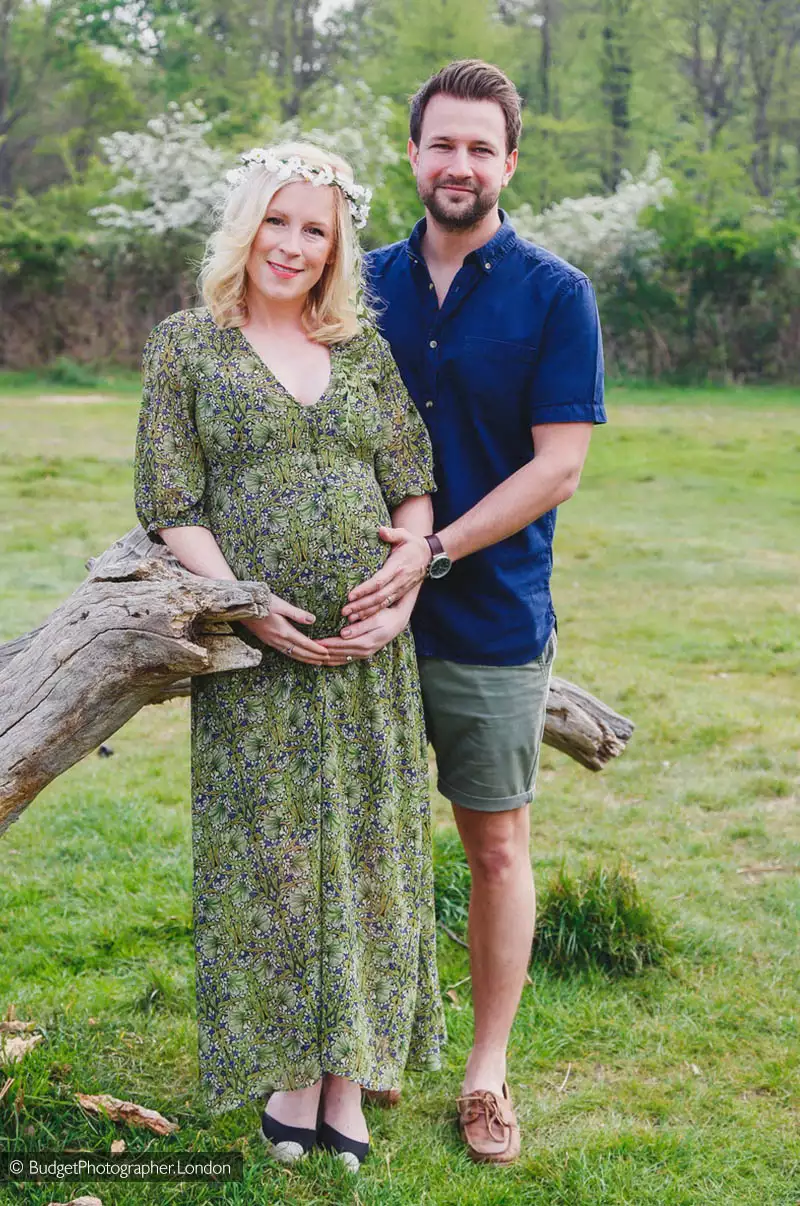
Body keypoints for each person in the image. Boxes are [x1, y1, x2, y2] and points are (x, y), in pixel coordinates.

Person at [134, 141, 444, 1172]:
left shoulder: (360, 349)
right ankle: (287, 1070)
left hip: (366, 649)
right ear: (247, 225)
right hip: (255, 650)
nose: (294, 245)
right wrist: (246, 605)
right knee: (269, 858)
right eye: (279, 221)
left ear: (334, 245)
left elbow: (411, 485)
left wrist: (397, 602)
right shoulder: (188, 346)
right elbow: (171, 499)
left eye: (315, 229)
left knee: (367, 854)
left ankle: (348, 1071)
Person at [344, 61, 606, 1164]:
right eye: (439, 144)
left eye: (478, 148)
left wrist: (435, 549)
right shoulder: (352, 286)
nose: (458, 165)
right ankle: (360, 1049)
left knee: (492, 846)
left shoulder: (555, 295)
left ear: (508, 161)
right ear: (411, 155)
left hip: (491, 615)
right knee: (361, 842)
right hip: (355, 617)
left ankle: (485, 1075)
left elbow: (557, 469)